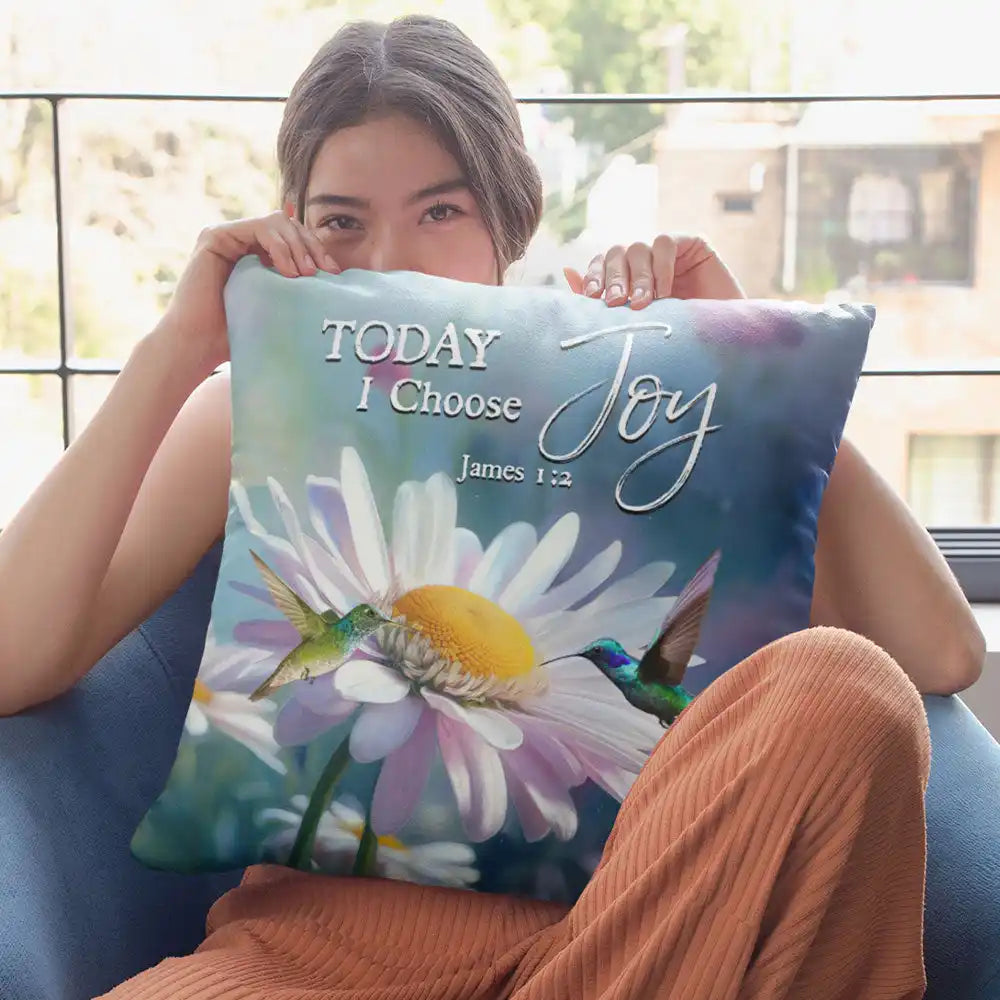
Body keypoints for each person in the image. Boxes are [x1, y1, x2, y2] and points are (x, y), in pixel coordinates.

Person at [0, 14, 985, 1000]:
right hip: (301, 970)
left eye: (439, 211)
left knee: (841, 683)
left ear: (508, 217)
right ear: (290, 225)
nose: (390, 261)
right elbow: (10, 658)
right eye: (341, 219)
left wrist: (753, 368)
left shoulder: (640, 399)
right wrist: (174, 350)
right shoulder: (254, 402)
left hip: (624, 954)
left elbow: (940, 655)